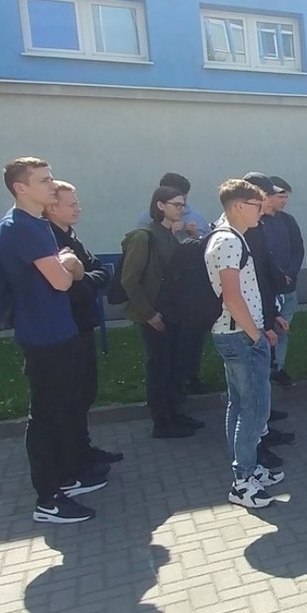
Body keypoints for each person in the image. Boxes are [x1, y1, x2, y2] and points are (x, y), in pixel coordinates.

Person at [0, 157, 105, 524]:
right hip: (43, 336)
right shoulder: (22, 227)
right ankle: (48, 500)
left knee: (62, 411)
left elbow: (70, 270)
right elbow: (62, 280)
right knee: (46, 418)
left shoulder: (37, 225)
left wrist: (68, 263)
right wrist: (68, 263)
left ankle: (64, 479)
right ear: (21, 188)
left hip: (59, 331)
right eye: (43, 180)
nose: (52, 185)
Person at [205, 178, 285, 509]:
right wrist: (255, 335)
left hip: (236, 334)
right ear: (239, 206)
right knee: (254, 408)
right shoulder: (228, 241)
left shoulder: (230, 237)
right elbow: (232, 296)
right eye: (257, 206)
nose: (261, 212)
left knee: (239, 405)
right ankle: (243, 481)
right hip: (239, 336)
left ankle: (247, 468)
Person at [45, 179, 122, 466]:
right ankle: (72, 456)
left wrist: (82, 279)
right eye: (72, 204)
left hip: (82, 326)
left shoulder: (71, 237)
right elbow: (67, 288)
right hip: (66, 328)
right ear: (52, 208)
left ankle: (82, 448)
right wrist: (84, 282)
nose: (78, 208)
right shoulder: (50, 240)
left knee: (85, 392)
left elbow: (102, 272)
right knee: (70, 396)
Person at [120, 185, 196, 439]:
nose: (182, 209)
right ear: (160, 205)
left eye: (183, 205)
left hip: (174, 312)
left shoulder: (170, 234)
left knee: (174, 366)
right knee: (159, 368)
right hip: (156, 314)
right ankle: (161, 421)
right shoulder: (144, 237)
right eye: (177, 205)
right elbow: (130, 280)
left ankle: (174, 413)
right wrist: (149, 314)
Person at [237, 173, 295, 455]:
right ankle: (252, 452)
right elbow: (250, 284)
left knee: (259, 383)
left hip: (262, 315)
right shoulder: (238, 234)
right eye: (265, 196)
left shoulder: (256, 228)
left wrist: (272, 316)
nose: (270, 201)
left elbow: (266, 276)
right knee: (248, 391)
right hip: (246, 323)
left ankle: (263, 430)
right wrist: (263, 324)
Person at [264, 176, 305, 388]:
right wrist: (276, 275)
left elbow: (298, 249)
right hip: (267, 288)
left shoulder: (288, 221)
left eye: (286, 197)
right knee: (265, 331)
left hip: (288, 287)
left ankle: (278, 368)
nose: (284, 201)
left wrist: (290, 273)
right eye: (281, 197)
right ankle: (265, 369)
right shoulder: (257, 222)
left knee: (283, 329)